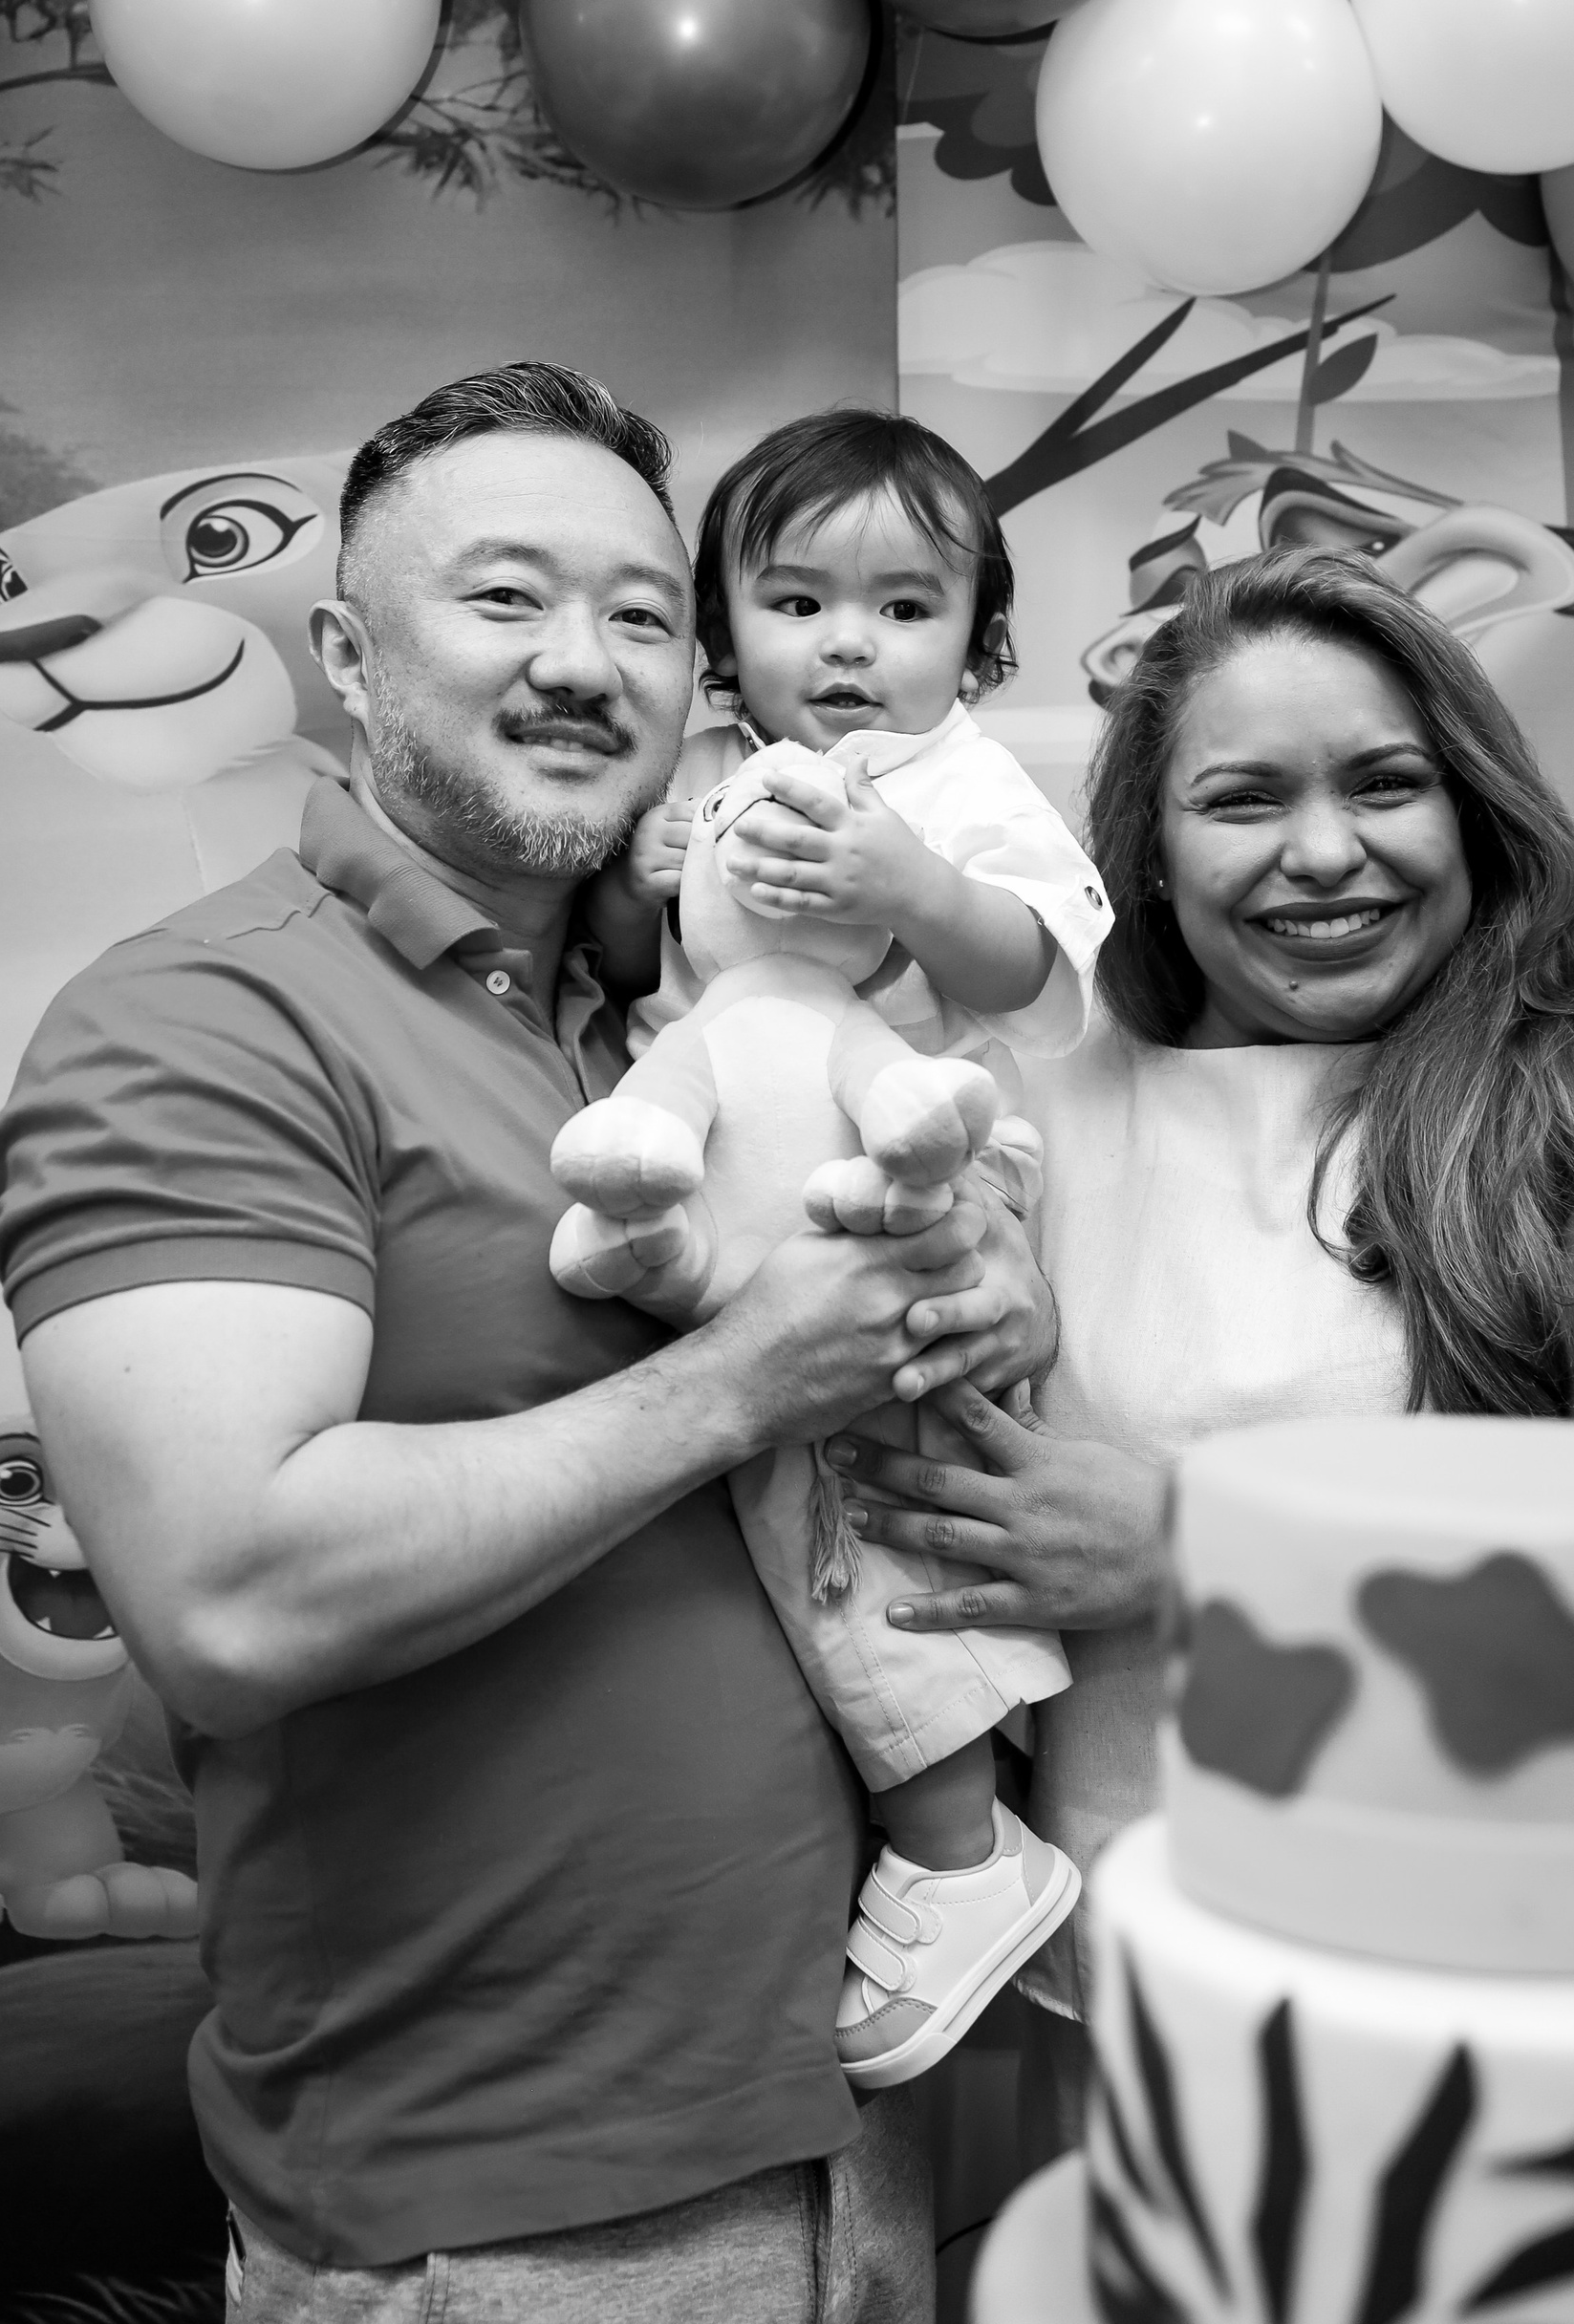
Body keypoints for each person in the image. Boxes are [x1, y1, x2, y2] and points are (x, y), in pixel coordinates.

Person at [0, 363, 1060, 2324]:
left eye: (641, 614)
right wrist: (749, 1374)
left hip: (844, 2118)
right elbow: (229, 1595)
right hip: (498, 2213)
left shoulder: (664, 1020)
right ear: (348, 657)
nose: (582, 662)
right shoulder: (201, 1023)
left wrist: (974, 1296)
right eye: (504, 597)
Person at [813, 546, 1574, 2163]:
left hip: (1522, 2011)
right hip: (1127, 2020)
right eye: (1242, 800)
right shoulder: (1036, 1101)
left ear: (1472, 809)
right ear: (1152, 852)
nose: (1325, 852)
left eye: (1386, 782)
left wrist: (1203, 1549)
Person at [584, 410, 1112, 2091]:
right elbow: (637, 971)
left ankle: (962, 1851)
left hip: (919, 1161)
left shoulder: (960, 783)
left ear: (981, 642)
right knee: (778, 1506)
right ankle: (940, 1818)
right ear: (720, 630)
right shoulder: (702, 773)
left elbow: (1037, 973)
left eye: (904, 607)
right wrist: (639, 880)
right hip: (745, 1174)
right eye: (798, 602)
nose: (849, 645)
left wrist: (913, 882)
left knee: (859, 1513)